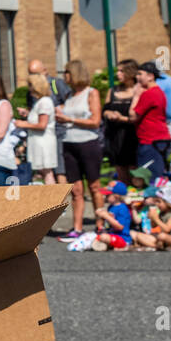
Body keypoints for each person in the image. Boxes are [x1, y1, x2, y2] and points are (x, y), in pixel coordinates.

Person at [56, 60, 103, 239]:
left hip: (88, 143)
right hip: (69, 143)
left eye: (67, 72)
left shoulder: (91, 93)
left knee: (94, 186)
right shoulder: (69, 95)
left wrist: (69, 120)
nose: (64, 76)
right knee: (76, 189)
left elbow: (95, 121)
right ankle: (77, 227)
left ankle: (100, 224)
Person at [21, 60, 70, 184]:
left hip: (57, 130)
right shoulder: (32, 92)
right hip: (40, 134)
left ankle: (61, 198)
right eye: (30, 74)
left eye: (35, 74)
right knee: (44, 170)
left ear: (44, 71)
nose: (32, 77)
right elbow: (34, 110)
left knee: (58, 168)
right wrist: (28, 113)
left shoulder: (55, 84)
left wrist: (55, 112)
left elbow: (68, 103)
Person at [130, 61, 171, 179]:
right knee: (159, 174)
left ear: (150, 76)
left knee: (149, 177)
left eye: (140, 74)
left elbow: (133, 116)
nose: (137, 77)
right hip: (160, 138)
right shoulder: (159, 92)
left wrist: (136, 96)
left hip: (150, 140)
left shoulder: (149, 94)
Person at [14, 74, 57, 185]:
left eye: (30, 85)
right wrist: (27, 114)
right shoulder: (39, 102)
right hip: (37, 142)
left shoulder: (45, 102)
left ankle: (53, 199)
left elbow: (42, 125)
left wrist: (23, 124)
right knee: (43, 171)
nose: (29, 88)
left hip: (44, 142)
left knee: (47, 172)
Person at [101, 59, 140, 181]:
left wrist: (121, 118)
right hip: (115, 136)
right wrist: (109, 114)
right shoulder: (113, 90)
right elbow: (105, 109)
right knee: (120, 170)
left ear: (131, 72)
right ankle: (124, 197)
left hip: (133, 135)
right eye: (118, 71)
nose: (118, 74)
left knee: (136, 174)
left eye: (121, 71)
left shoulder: (139, 90)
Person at [91, 181, 132, 250]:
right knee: (95, 235)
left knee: (103, 237)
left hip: (123, 238)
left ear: (116, 196)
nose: (105, 197)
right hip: (112, 234)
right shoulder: (111, 207)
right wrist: (100, 218)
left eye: (108, 195)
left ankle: (122, 246)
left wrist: (106, 216)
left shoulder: (122, 208)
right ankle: (106, 245)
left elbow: (120, 227)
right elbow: (107, 224)